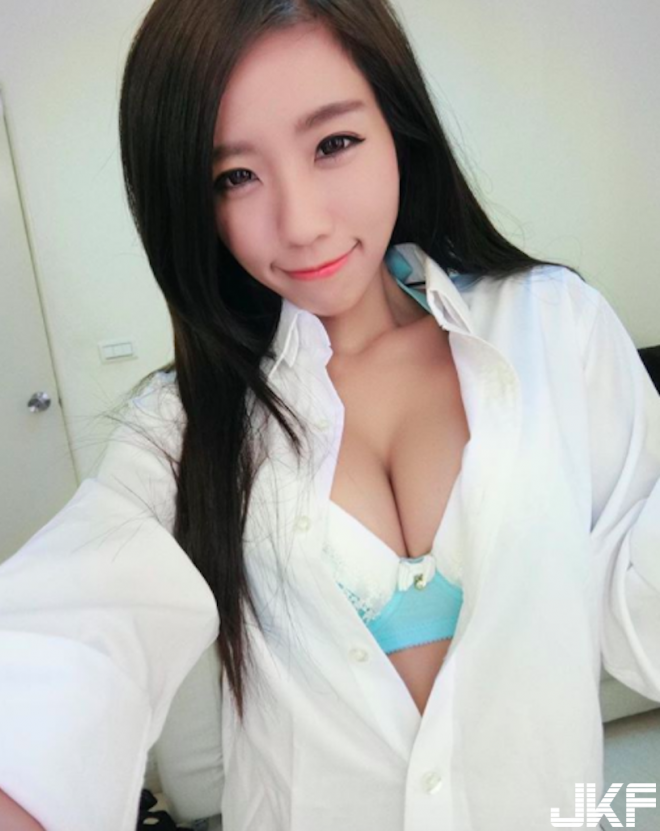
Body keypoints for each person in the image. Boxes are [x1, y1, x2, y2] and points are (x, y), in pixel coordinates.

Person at [1, 0, 659, 829]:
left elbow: (640, 612)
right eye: (235, 177)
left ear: (397, 127)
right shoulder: (181, 427)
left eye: (333, 143)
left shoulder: (553, 327)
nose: (302, 223)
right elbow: (70, 634)